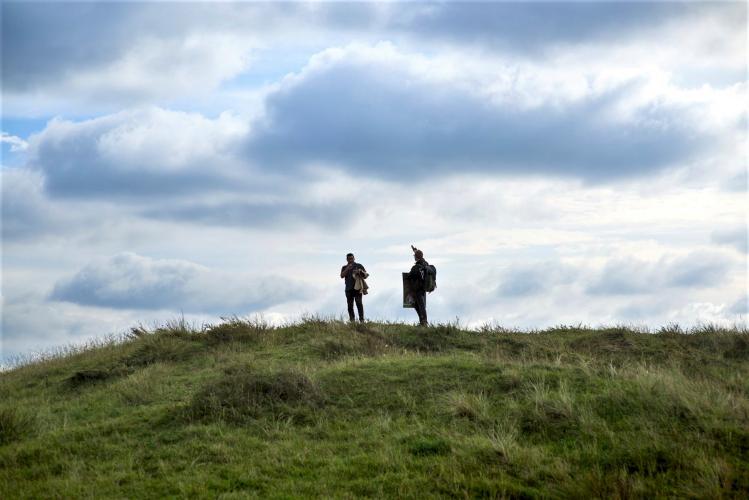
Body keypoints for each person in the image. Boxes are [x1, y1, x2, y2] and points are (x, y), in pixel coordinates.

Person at [340, 253, 367, 322]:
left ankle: (362, 320)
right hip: (348, 289)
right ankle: (352, 321)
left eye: (351, 258)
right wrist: (347, 269)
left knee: (359, 303)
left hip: (357, 288)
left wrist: (359, 272)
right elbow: (342, 276)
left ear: (354, 258)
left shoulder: (359, 265)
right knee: (350, 306)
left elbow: (365, 275)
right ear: (347, 259)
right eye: (349, 259)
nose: (350, 260)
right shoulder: (344, 267)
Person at [409, 246, 429, 326]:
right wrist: (415, 251)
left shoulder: (416, 267)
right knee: (420, 305)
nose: (414, 257)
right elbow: (421, 257)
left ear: (416, 257)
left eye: (414, 256)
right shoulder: (425, 264)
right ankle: (422, 321)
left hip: (417, 289)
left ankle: (423, 322)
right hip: (423, 288)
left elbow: (410, 275)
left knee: (420, 306)